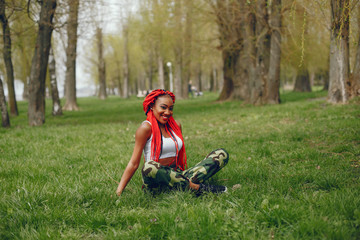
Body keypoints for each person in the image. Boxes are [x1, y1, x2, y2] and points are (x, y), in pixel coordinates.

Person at [116, 89, 229, 196]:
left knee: (221, 154)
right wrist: (119, 191)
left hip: (178, 175)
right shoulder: (145, 128)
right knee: (148, 167)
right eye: (163, 107)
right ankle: (198, 188)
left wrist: (181, 175)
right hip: (156, 182)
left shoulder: (176, 126)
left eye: (170, 108)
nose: (167, 112)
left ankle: (183, 185)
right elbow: (133, 163)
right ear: (152, 106)